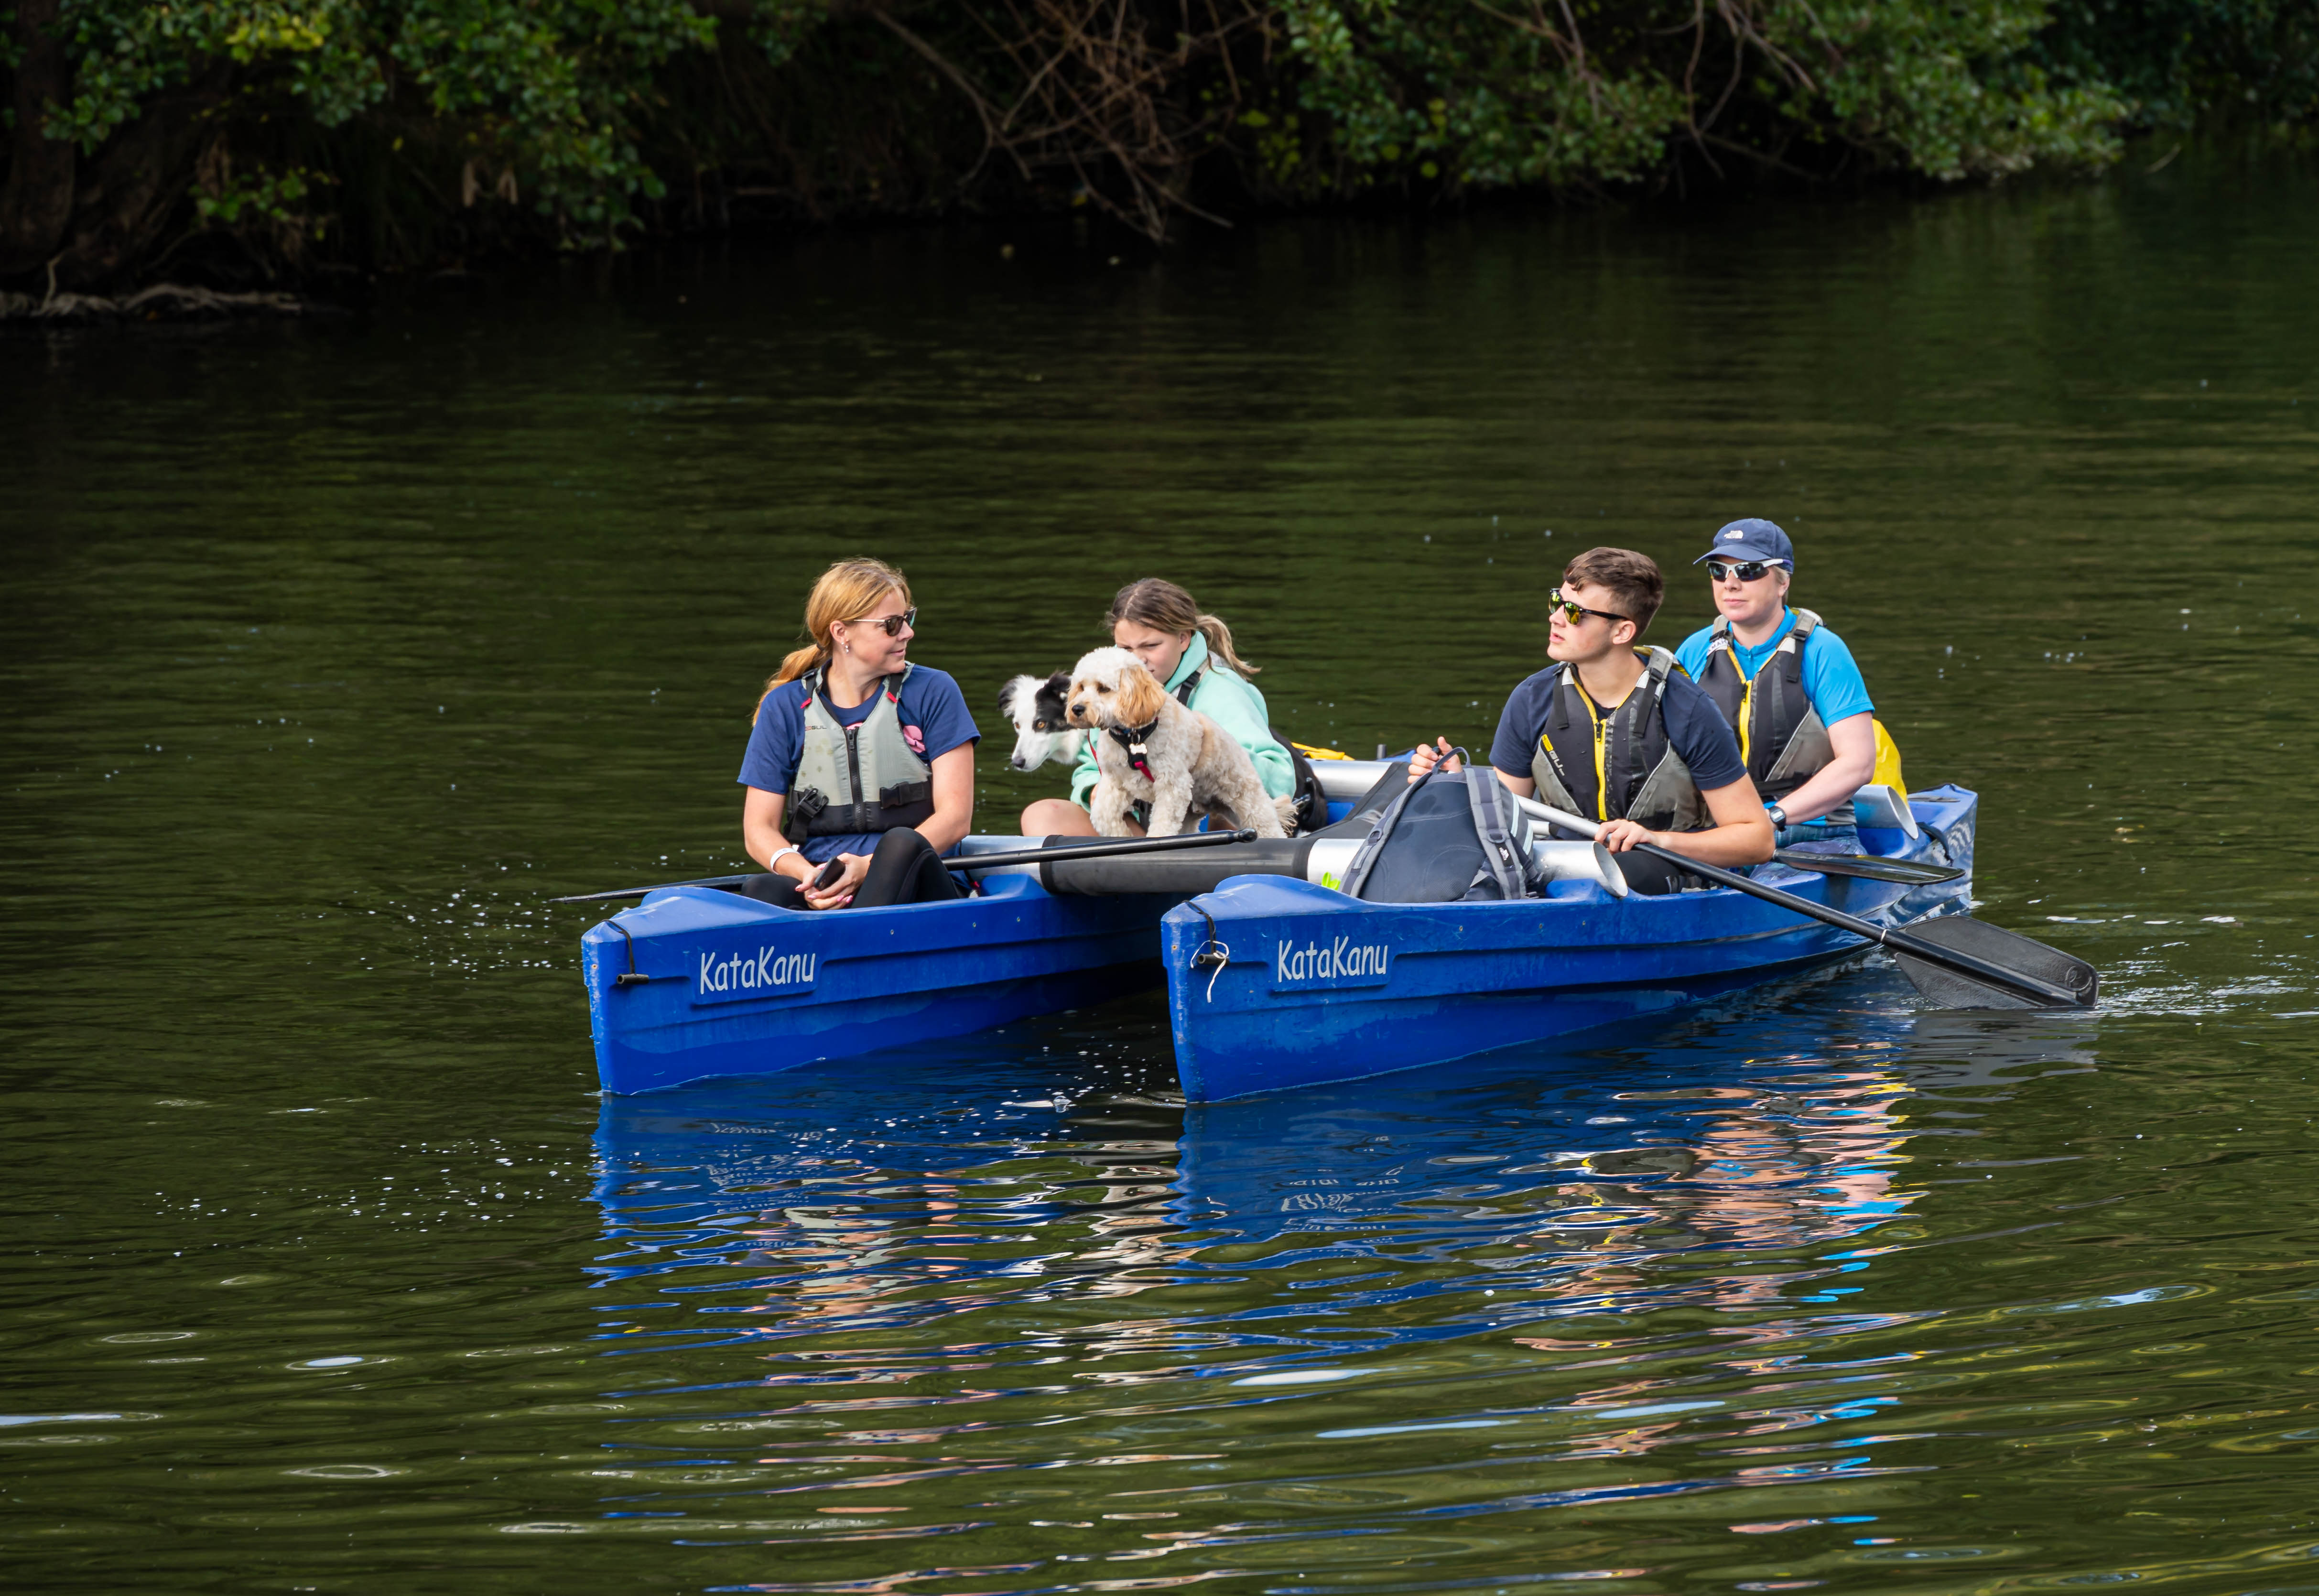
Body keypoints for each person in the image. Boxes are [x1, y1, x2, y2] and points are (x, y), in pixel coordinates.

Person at [1409, 546, 1772, 893]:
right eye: (1557, 601)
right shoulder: (1531, 699)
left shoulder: (1687, 709)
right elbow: (1505, 819)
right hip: (1562, 862)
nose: (1555, 617)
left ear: (1622, 632)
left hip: (1662, 867)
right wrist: (1456, 787)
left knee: (1615, 874)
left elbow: (1757, 839)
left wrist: (1656, 839)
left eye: (1574, 612)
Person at [736, 558, 979, 909]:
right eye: (892, 625)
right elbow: (758, 830)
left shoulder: (934, 690)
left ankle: (850, 947)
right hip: (825, 877)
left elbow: (956, 818)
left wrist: (866, 868)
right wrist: (811, 879)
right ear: (841, 632)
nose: (908, 633)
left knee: (901, 844)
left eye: (907, 619)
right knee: (762, 888)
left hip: (922, 879)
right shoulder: (784, 707)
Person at [1020, 577, 1296, 837]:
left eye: (1151, 646)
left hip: (1204, 817)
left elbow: (1278, 775)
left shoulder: (1222, 690)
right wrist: (1093, 789)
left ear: (1183, 638)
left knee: (1221, 814)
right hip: (1144, 825)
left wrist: (1200, 760)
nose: (1138, 659)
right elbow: (1092, 766)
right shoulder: (1103, 692)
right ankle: (1144, 865)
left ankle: (1197, 872)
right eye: (1125, 648)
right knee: (1041, 815)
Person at [1672, 519, 1882, 847]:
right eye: (1719, 571)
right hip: (1718, 831)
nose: (1730, 584)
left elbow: (1858, 763)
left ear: (1783, 582)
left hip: (1808, 831)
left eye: (1749, 570)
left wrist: (1773, 818)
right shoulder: (1694, 650)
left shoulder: (1824, 650)